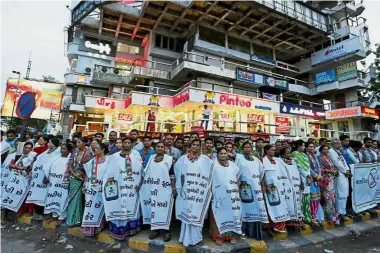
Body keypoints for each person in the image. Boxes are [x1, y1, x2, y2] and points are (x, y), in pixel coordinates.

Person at [175, 139, 213, 247]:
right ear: (190, 146)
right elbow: (178, 171)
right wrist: (179, 187)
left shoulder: (205, 159)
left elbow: (211, 171)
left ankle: (197, 238)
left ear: (200, 146)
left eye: (197, 145)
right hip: (187, 191)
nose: (195, 147)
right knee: (187, 212)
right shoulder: (183, 158)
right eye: (194, 145)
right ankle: (185, 237)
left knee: (197, 213)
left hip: (199, 192)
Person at [103, 137, 143, 240]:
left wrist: (139, 183)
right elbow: (110, 171)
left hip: (132, 187)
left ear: (131, 144)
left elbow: (140, 170)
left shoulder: (136, 155)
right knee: (119, 206)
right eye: (124, 142)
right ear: (122, 144)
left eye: (129, 142)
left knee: (131, 205)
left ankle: (131, 229)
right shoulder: (115, 156)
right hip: (119, 186)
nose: (126, 144)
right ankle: (119, 230)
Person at [137, 141, 176, 242]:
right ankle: (155, 230)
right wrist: (141, 184)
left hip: (164, 189)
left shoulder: (169, 159)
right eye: (158, 146)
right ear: (155, 148)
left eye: (161, 146)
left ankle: (167, 232)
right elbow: (145, 173)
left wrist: (173, 188)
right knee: (153, 209)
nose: (159, 148)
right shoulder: (151, 158)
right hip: (152, 188)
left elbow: (172, 175)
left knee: (165, 209)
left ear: (164, 148)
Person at [235, 140, 268, 240]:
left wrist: (263, 186)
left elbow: (262, 174)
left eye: (249, 147)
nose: (248, 149)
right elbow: (235, 174)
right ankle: (244, 231)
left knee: (257, 208)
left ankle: (256, 232)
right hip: (244, 189)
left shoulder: (256, 159)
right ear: (242, 148)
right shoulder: (239, 159)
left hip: (256, 189)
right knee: (245, 209)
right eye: (245, 147)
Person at [210, 147, 242, 245]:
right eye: (221, 153)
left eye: (225, 153)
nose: (223, 155)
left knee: (230, 215)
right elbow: (209, 179)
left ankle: (230, 236)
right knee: (218, 215)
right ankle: (217, 236)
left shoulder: (232, 165)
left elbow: (236, 179)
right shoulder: (213, 164)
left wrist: (237, 191)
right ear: (217, 154)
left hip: (231, 194)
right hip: (218, 194)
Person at [26, 138, 62, 219]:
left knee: (45, 196)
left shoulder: (57, 153)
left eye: (49, 142)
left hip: (47, 178)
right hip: (39, 177)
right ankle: (38, 212)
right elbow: (39, 160)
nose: (48, 143)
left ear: (54, 144)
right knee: (38, 194)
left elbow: (52, 165)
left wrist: (46, 176)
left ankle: (44, 213)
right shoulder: (47, 151)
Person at [82, 143, 109, 236]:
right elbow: (87, 174)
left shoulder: (108, 160)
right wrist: (85, 184)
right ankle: (89, 228)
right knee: (89, 207)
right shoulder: (92, 161)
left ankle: (99, 226)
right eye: (95, 148)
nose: (95, 150)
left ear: (103, 150)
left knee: (100, 206)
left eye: (97, 148)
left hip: (101, 188)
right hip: (91, 189)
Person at [262, 145, 291, 233]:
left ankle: (279, 225)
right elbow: (262, 175)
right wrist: (266, 186)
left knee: (280, 207)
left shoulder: (277, 160)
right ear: (266, 151)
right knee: (271, 207)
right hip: (270, 187)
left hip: (280, 188)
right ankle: (270, 225)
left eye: (274, 150)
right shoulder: (263, 161)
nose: (273, 152)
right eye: (271, 150)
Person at [2, 142, 37, 214]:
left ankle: (15, 212)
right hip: (13, 179)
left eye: (29, 148)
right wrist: (19, 167)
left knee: (18, 195)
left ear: (31, 149)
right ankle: (6, 211)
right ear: (23, 147)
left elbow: (30, 169)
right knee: (9, 194)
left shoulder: (33, 157)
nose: (27, 149)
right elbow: (10, 165)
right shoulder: (18, 155)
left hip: (23, 181)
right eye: (26, 147)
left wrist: (21, 168)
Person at [44, 143, 74, 225]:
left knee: (62, 199)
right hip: (53, 182)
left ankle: (62, 217)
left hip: (63, 184)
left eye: (64, 149)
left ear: (69, 150)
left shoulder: (70, 158)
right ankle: (54, 215)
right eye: (61, 149)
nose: (62, 150)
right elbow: (48, 168)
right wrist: (46, 177)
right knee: (53, 198)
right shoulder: (56, 157)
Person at [66, 137, 93, 227]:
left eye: (79, 142)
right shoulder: (75, 151)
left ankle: (78, 219)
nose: (77, 144)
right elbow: (69, 164)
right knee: (73, 198)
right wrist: (74, 174)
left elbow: (90, 166)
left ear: (85, 143)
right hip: (74, 177)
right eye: (76, 142)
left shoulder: (89, 152)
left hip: (83, 178)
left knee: (79, 199)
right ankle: (72, 219)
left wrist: (82, 174)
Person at [279, 147, 305, 229]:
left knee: (297, 203)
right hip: (286, 187)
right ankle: (289, 223)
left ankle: (298, 221)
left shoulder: (293, 161)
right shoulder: (279, 162)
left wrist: (301, 182)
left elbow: (297, 172)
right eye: (287, 153)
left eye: (289, 153)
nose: (289, 154)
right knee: (289, 204)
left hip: (295, 185)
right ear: (283, 154)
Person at [328, 138, 350, 221]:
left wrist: (347, 170)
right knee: (340, 194)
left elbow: (344, 162)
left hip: (344, 174)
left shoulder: (338, 151)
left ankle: (343, 211)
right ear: (334, 144)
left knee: (345, 193)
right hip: (339, 174)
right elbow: (337, 163)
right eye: (339, 144)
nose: (340, 145)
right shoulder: (331, 151)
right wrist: (345, 171)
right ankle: (340, 213)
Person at [291, 140, 312, 224]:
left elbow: (307, 166)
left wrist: (309, 176)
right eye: (303, 146)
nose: (304, 147)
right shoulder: (294, 154)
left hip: (308, 178)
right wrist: (307, 176)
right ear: (298, 146)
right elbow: (299, 167)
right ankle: (301, 217)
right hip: (300, 178)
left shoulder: (304, 155)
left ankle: (307, 217)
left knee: (307, 198)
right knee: (301, 198)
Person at [318, 145, 338, 225]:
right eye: (324, 149)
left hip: (331, 180)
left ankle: (333, 217)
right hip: (325, 181)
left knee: (332, 199)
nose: (326, 150)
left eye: (327, 149)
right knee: (327, 199)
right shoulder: (319, 158)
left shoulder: (328, 158)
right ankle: (328, 217)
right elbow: (320, 169)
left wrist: (334, 171)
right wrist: (330, 171)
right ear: (321, 150)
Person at [305, 142, 323, 227]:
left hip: (317, 179)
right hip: (311, 179)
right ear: (306, 147)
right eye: (310, 146)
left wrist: (319, 175)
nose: (312, 148)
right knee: (312, 199)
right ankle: (312, 217)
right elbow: (307, 167)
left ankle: (316, 216)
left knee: (317, 199)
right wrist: (315, 175)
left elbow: (318, 167)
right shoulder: (305, 156)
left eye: (313, 146)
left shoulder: (315, 156)